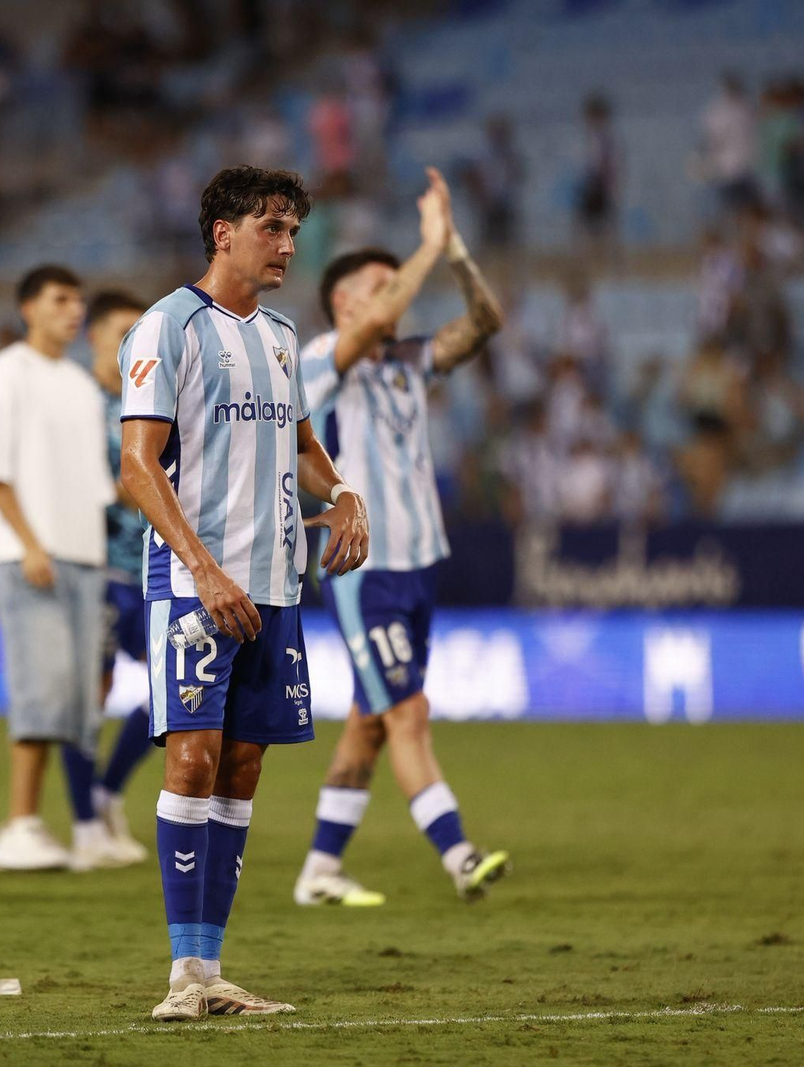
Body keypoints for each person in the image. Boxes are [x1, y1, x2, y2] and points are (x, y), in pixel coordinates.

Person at [120, 165, 370, 1021]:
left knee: (243, 764)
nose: (290, 246)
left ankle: (209, 968)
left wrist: (342, 492)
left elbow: (302, 440)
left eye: (295, 230)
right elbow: (138, 467)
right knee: (190, 757)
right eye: (273, 228)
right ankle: (180, 975)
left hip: (276, 582)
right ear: (223, 232)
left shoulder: (281, 336)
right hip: (195, 580)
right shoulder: (169, 327)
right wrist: (202, 570)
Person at [289, 167, 509, 909]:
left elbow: (485, 322)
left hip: (419, 565)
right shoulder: (322, 359)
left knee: (372, 722)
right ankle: (460, 856)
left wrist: (453, 253)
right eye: (381, 284)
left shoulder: (410, 362)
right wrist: (424, 244)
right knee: (408, 711)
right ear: (345, 302)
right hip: (363, 567)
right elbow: (380, 320)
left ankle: (320, 869)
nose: (397, 293)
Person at [0, 265, 117, 872]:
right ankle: (19, 823)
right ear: (29, 308)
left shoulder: (79, 384)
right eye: (59, 300)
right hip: (24, 553)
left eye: (78, 301)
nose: (73, 311)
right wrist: (30, 543)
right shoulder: (5, 374)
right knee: (40, 690)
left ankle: (49, 826)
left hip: (81, 555)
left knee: (75, 702)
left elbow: (99, 487)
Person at [58, 289, 157, 865]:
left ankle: (107, 791)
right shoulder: (76, 402)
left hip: (148, 566)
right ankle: (85, 827)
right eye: (122, 331)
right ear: (93, 336)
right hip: (93, 565)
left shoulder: (148, 403)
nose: (132, 344)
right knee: (90, 693)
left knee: (171, 686)